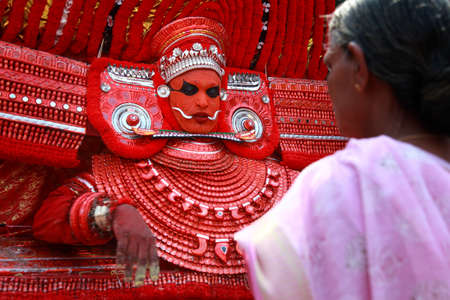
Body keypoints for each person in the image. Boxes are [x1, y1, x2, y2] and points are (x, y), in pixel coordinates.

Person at [32, 16, 298, 293]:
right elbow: (49, 218)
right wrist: (115, 214)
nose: (203, 102)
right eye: (189, 89)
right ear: (162, 93)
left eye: (213, 92)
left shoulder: (272, 178)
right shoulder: (122, 171)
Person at [235, 0, 450, 299]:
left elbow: (277, 271)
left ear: (359, 68)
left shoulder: (346, 180)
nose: (328, 83)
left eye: (331, 65)